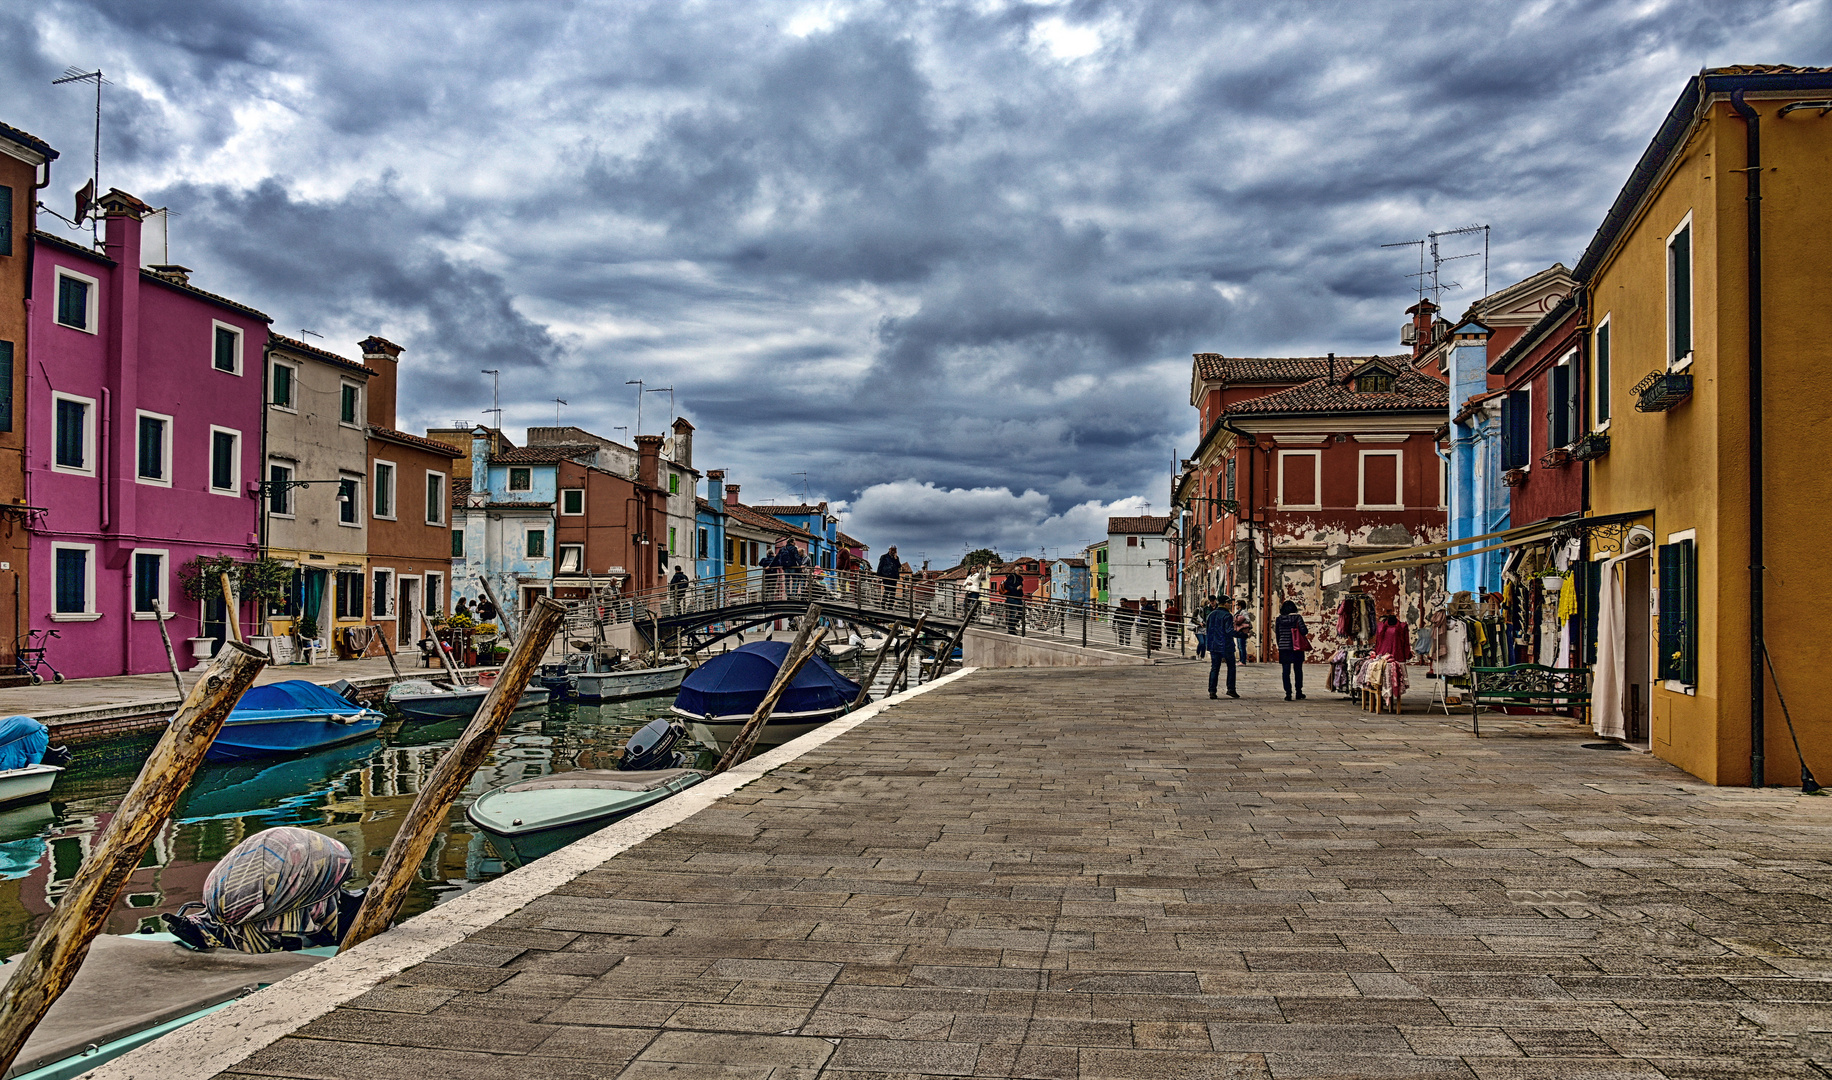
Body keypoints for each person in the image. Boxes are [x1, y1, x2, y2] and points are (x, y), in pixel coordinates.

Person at [1275, 599, 1309, 700]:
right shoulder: (1297, 617)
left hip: (1284, 647)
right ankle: (1299, 692)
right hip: (1296, 647)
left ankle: (1288, 693)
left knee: (1285, 671)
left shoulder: (1279, 619)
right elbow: (1304, 631)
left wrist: (1280, 644)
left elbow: (1278, 634)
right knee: (1298, 670)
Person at [1206, 598, 1239, 699]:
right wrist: (1242, 634)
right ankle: (1231, 689)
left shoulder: (1211, 615)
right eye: (1229, 603)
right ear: (1225, 604)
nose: (1230, 605)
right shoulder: (1227, 615)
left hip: (1213, 645)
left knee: (1215, 668)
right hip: (1226, 645)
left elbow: (1208, 630)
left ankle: (1212, 691)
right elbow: (1229, 631)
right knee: (1231, 667)